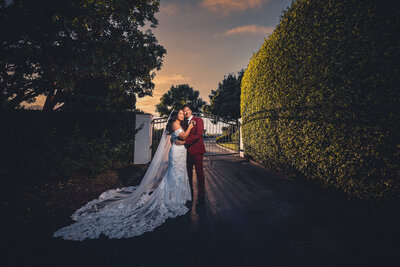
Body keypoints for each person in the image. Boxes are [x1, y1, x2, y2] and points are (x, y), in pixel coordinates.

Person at [52, 109, 193, 241]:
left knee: (179, 174)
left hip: (180, 152)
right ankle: (171, 196)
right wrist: (191, 128)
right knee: (174, 174)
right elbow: (184, 136)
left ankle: (177, 195)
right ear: (175, 115)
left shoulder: (178, 124)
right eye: (180, 113)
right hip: (176, 153)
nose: (182, 114)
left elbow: (180, 139)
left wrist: (183, 139)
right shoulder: (175, 123)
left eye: (183, 113)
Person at [175, 105, 206, 204]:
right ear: (183, 113)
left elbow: (198, 135)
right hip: (186, 152)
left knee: (199, 173)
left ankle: (201, 195)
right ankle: (190, 193)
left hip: (197, 151)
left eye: (188, 110)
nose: (186, 112)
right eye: (184, 111)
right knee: (188, 173)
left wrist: (184, 142)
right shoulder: (183, 123)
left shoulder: (198, 120)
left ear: (191, 111)